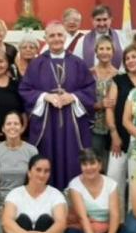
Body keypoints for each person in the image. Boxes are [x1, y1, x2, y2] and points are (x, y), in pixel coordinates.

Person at [19, 21, 95, 189]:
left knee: (73, 157)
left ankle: (73, 198)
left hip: (72, 122)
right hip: (47, 123)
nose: (56, 39)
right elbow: (25, 89)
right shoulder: (37, 64)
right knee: (47, 157)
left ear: (65, 37)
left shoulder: (77, 62)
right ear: (46, 38)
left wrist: (73, 97)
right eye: (52, 35)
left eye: (60, 35)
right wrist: (45, 96)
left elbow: (90, 88)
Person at [64, 149, 129, 233]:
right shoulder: (75, 185)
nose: (89, 168)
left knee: (129, 232)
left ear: (100, 165)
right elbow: (82, 218)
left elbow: (115, 215)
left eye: (92, 163)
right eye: (85, 164)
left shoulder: (111, 184)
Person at [105, 44, 136, 212]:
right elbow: (109, 108)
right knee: (114, 178)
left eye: (134, 56)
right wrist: (114, 133)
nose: (131, 60)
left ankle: (133, 218)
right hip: (119, 137)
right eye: (127, 58)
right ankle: (117, 220)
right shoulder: (118, 80)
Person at [0, 112, 38, 207]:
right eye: (9, 124)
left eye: (16, 123)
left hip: (25, 202)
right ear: (3, 128)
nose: (12, 127)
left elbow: (35, 183)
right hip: (2, 203)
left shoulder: (32, 151)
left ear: (22, 128)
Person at [90, 36, 118, 163]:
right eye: (101, 48)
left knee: (112, 162)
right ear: (96, 52)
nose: (105, 52)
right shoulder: (88, 74)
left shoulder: (120, 75)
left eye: (108, 48)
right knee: (95, 160)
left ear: (113, 52)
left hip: (114, 125)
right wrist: (99, 104)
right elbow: (82, 101)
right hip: (94, 125)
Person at [74, 4, 125, 69]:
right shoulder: (82, 40)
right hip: (90, 78)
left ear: (111, 19)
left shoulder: (121, 37)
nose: (102, 24)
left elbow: (126, 60)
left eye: (105, 19)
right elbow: (76, 64)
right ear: (92, 20)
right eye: (98, 20)